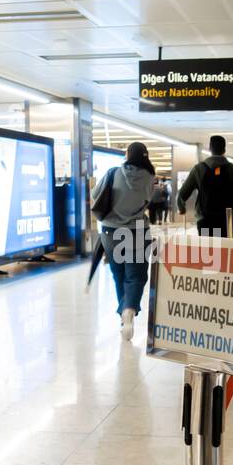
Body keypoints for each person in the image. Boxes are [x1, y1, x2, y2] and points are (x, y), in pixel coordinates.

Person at [92, 142, 155, 341]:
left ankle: (123, 316)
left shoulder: (113, 172)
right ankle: (129, 308)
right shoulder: (149, 177)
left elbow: (96, 195)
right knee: (135, 276)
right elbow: (147, 202)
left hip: (111, 232)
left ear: (127, 155)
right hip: (137, 230)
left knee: (118, 274)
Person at [177, 135, 233, 236]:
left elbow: (182, 194)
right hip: (226, 219)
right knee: (224, 249)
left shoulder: (199, 169)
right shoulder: (232, 169)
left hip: (205, 219)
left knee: (208, 249)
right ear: (224, 149)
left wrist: (182, 209)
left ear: (210, 148)